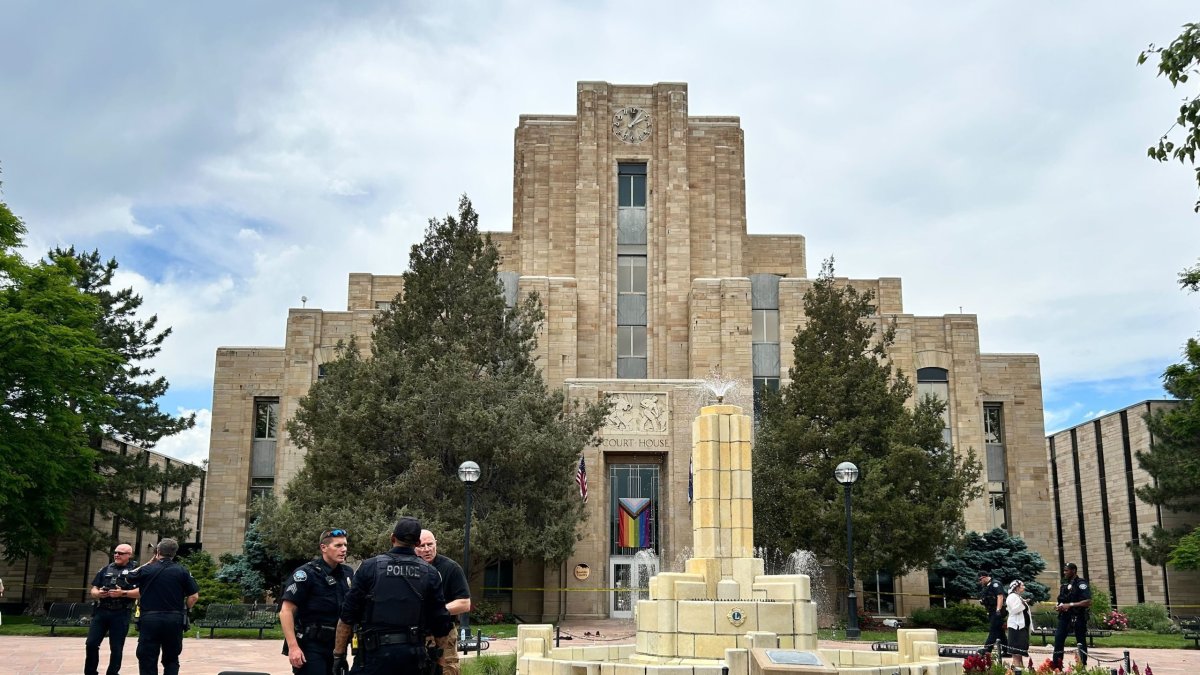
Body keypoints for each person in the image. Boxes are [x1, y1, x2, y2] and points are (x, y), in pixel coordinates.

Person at [333, 517, 452, 675]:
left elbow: (347, 616)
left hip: (373, 658)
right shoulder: (430, 573)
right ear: (417, 543)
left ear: (392, 538)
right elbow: (441, 623)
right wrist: (440, 662)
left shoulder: (369, 568)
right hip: (413, 659)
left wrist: (339, 656)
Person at [280, 528, 354, 674]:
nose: (344, 549)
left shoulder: (347, 573)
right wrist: (293, 647)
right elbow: (285, 611)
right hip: (311, 645)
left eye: (345, 545)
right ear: (323, 548)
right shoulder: (306, 573)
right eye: (338, 545)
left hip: (337, 647)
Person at [125, 539, 200, 675]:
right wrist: (185, 609)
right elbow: (194, 596)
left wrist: (149, 562)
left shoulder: (147, 569)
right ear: (174, 553)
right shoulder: (182, 571)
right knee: (171, 658)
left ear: (158, 551)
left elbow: (128, 577)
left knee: (147, 658)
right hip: (174, 619)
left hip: (150, 619)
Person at [416, 529, 471, 675]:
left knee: (448, 670)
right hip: (416, 632)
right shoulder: (408, 568)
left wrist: (437, 611)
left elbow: (464, 603)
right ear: (413, 546)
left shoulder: (451, 568)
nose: (427, 549)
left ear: (436, 544)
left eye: (430, 544)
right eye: (421, 546)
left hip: (444, 632)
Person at [85, 543, 139, 675]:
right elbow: (94, 589)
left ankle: (113, 673)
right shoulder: (105, 569)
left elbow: (141, 592)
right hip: (102, 611)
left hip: (121, 612)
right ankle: (90, 672)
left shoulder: (135, 571)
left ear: (129, 555)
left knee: (116, 647)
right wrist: (98, 594)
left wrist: (123, 593)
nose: (117, 555)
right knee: (91, 643)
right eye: (115, 552)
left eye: (121, 553)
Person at [1051, 562, 1092, 670]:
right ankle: (1057, 666)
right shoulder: (1065, 584)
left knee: (1081, 641)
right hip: (1065, 617)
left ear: (1073, 570)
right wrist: (1059, 606)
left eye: (1067, 570)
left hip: (1078, 616)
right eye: (1064, 570)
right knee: (1058, 639)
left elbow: (1087, 602)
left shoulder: (1081, 583)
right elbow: (1062, 600)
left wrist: (1070, 605)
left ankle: (1082, 666)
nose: (1064, 572)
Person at [977, 571, 1006, 657]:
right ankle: (1007, 650)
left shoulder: (995, 584)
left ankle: (987, 649)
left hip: (997, 611)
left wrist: (998, 610)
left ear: (985, 577)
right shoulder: (987, 586)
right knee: (1000, 632)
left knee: (993, 629)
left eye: (980, 579)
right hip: (991, 611)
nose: (980, 582)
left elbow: (1000, 596)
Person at [1004, 580, 1031, 670]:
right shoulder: (1012, 596)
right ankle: (1017, 668)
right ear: (1017, 587)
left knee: (1020, 648)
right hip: (1016, 626)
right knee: (1016, 649)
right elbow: (1014, 610)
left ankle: (1020, 667)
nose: (1024, 587)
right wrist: (1023, 603)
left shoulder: (1017, 596)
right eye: (1022, 585)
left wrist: (1023, 602)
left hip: (1021, 626)